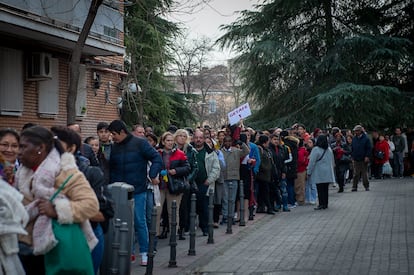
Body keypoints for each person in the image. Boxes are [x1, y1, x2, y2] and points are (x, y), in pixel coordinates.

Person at [15, 126, 99, 274]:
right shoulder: (21, 172)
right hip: (23, 250)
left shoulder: (65, 171)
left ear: (40, 148)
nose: (18, 152)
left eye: (23, 147)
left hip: (55, 251)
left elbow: (90, 205)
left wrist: (57, 210)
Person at [51, 126, 114, 274]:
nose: (50, 149)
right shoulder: (42, 173)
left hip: (86, 236)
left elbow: (103, 214)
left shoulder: (90, 173)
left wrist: (59, 210)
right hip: (53, 239)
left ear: (71, 148)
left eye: (56, 144)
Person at [107, 120, 162, 266]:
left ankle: (145, 252)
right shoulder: (114, 147)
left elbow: (156, 158)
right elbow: (111, 168)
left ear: (122, 132)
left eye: (113, 134)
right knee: (121, 222)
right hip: (119, 191)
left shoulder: (140, 143)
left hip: (138, 189)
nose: (112, 137)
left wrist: (153, 174)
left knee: (139, 221)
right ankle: (128, 252)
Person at [156, 132, 190, 239]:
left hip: (174, 186)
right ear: (163, 142)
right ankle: (155, 234)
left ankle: (174, 234)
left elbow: (187, 168)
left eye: (171, 140)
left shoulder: (180, 153)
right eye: (168, 140)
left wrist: (176, 170)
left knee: (173, 211)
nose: (170, 143)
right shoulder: (157, 153)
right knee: (157, 211)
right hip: (160, 185)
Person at [191, 129, 220, 236]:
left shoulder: (210, 153)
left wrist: (209, 180)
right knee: (191, 206)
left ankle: (205, 228)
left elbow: (216, 168)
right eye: (196, 137)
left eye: (200, 138)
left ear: (204, 139)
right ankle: (188, 228)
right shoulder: (188, 150)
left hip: (204, 184)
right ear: (193, 138)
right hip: (190, 183)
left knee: (204, 207)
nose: (198, 140)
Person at [175, 129, 199, 238]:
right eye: (180, 135)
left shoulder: (190, 150)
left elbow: (195, 168)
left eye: (185, 136)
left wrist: (188, 180)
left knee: (184, 207)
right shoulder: (171, 148)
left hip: (185, 181)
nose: (182, 138)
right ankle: (169, 227)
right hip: (173, 180)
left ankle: (182, 228)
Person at [220, 135, 249, 223]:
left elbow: (246, 151)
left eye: (229, 141)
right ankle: (225, 215)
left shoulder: (236, 151)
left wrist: (242, 143)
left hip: (234, 176)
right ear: (223, 142)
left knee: (232, 199)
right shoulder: (220, 152)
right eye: (226, 141)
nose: (227, 143)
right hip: (224, 177)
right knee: (225, 198)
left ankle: (231, 216)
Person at [307, 134, 335, 210]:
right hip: (327, 172)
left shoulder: (316, 149)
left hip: (319, 172)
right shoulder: (329, 150)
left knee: (320, 189)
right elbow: (332, 161)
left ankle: (321, 204)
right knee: (325, 189)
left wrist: (309, 172)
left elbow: (311, 162)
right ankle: (325, 204)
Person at [351, 125, 372, 191]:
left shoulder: (366, 139)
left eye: (357, 131)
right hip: (356, 158)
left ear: (360, 131)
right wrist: (352, 156)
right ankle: (354, 186)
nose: (356, 132)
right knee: (356, 174)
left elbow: (369, 148)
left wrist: (367, 156)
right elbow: (352, 148)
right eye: (355, 131)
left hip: (363, 158)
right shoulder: (354, 139)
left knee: (364, 174)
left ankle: (366, 186)